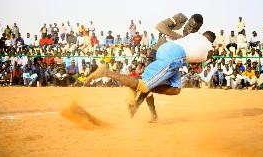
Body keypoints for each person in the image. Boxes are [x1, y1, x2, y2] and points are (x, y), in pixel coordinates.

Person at [86, 30, 216, 122]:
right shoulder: (208, 46)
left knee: (176, 89)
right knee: (143, 85)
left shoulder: (194, 36)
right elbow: (201, 64)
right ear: (210, 41)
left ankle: (137, 102)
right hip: (174, 57)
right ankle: (106, 72)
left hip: (170, 51)